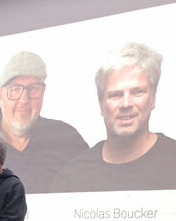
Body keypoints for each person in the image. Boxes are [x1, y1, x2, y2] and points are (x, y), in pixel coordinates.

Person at [0, 51, 87, 195]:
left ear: (43, 92)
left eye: (33, 89)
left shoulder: (68, 140)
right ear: (1, 95)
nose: (24, 100)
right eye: (15, 90)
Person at [53, 42, 176, 191]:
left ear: (153, 98)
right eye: (115, 95)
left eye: (138, 92)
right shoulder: (71, 179)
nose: (126, 104)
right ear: (101, 104)